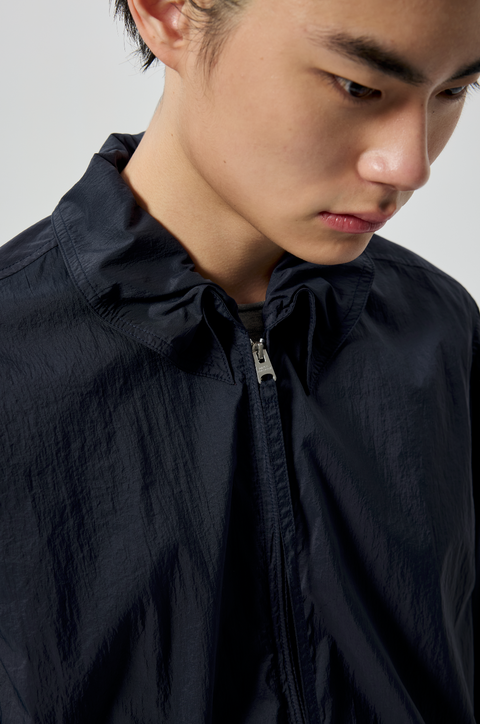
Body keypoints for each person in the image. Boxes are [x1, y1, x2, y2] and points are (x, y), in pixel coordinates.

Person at [0, 0, 479, 721]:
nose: (411, 164)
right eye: (358, 86)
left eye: (454, 90)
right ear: (170, 15)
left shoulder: (442, 331)